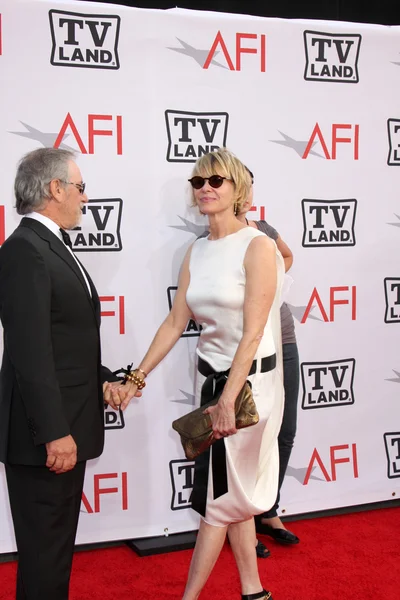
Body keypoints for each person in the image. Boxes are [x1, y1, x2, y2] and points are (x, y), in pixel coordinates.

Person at [109, 148, 285, 600]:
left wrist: (228, 398)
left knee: (216, 502)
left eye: (216, 180)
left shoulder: (258, 246)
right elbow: (175, 322)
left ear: (237, 189)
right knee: (232, 494)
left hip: (249, 389)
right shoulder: (198, 250)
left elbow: (252, 333)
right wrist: (136, 379)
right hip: (213, 384)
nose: (205, 187)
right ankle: (253, 590)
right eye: (197, 181)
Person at [0, 148, 133, 600]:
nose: (85, 198)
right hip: (46, 438)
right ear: (55, 188)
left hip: (65, 426)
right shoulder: (25, 250)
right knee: (44, 558)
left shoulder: (51, 245)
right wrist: (54, 432)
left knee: (53, 553)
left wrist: (104, 378)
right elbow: (29, 351)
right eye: (80, 187)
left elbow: (61, 344)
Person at [236, 173, 300, 552]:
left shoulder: (262, 228)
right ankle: (241, 520)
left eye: (248, 185)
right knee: (247, 436)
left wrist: (269, 284)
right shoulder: (210, 243)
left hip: (284, 339)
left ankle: (268, 508)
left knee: (284, 429)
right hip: (246, 347)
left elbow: (287, 256)